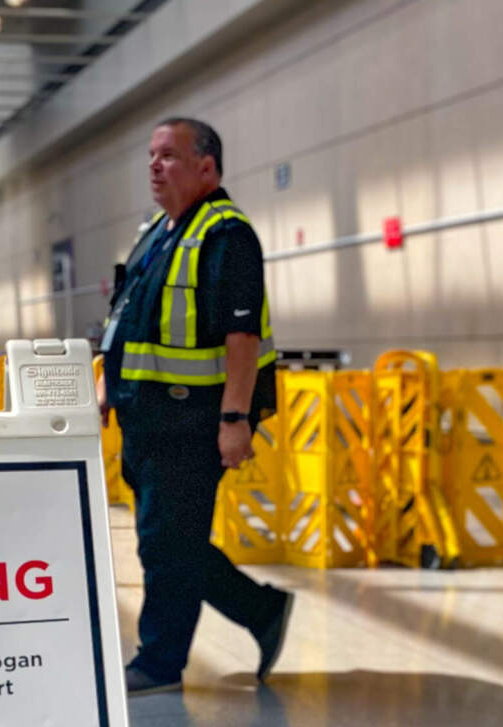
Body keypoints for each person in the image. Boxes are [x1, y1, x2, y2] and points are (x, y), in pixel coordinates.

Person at [98, 117, 294, 695]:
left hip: (194, 421)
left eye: (170, 156)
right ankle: (261, 610)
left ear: (207, 167)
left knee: (167, 543)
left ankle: (160, 662)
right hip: (149, 416)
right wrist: (110, 388)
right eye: (152, 156)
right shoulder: (161, 231)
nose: (155, 167)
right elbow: (129, 319)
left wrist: (235, 420)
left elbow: (242, 338)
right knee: (167, 539)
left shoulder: (226, 235)